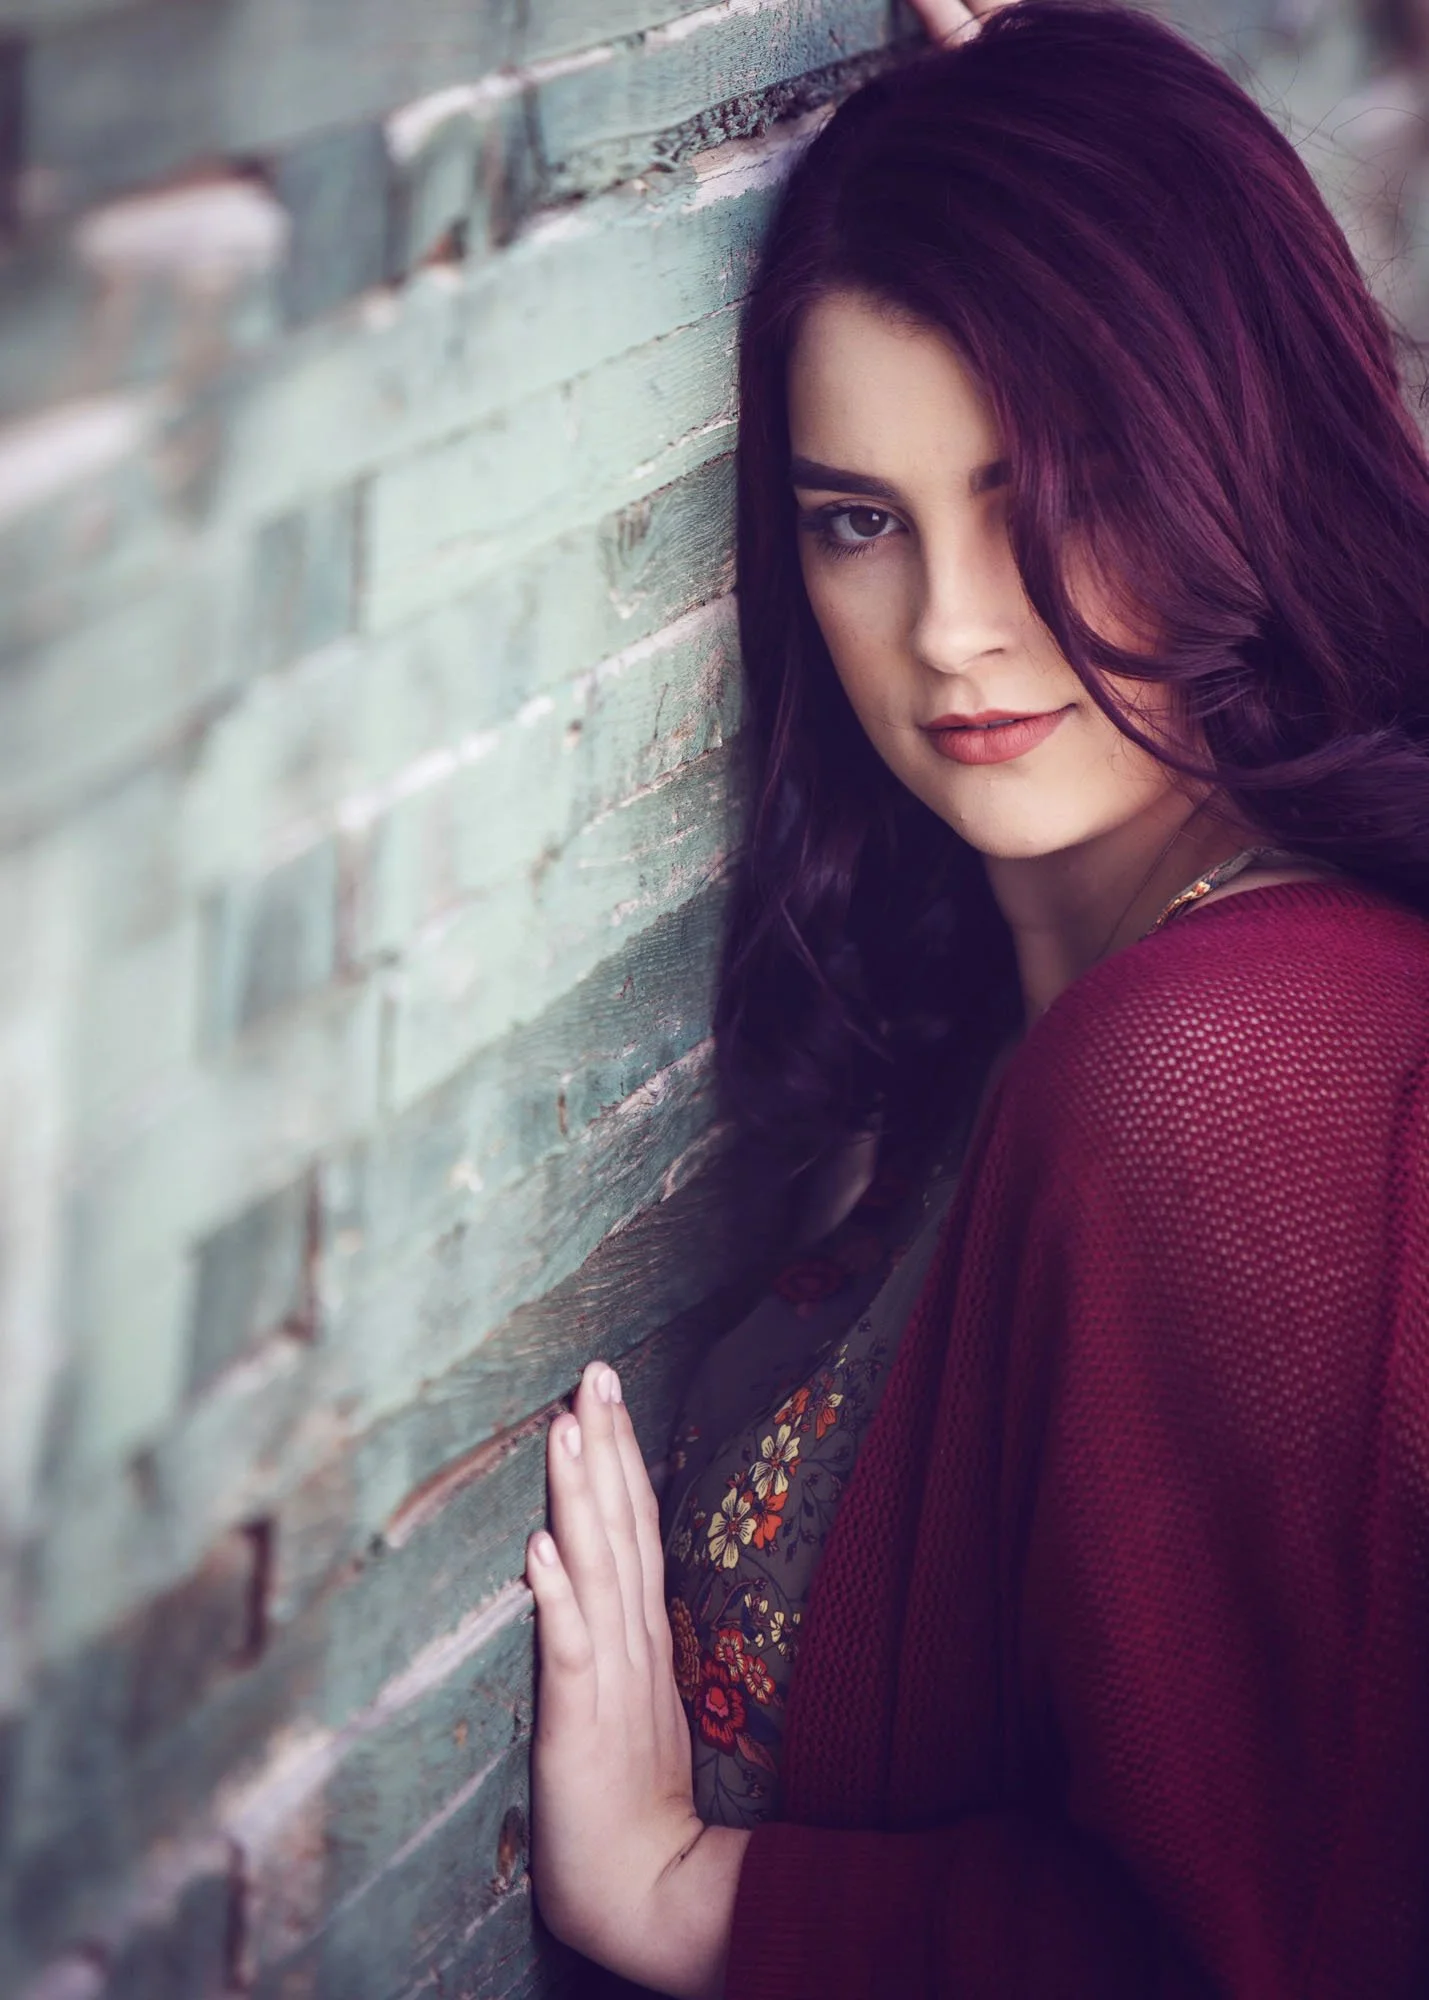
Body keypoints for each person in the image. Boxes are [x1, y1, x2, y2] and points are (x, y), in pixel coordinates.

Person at [521, 1, 1429, 1993]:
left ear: (1235, 459)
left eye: (1052, 493)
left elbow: (1286, 1945)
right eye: (862, 517)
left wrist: (685, 1895)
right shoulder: (1043, 1011)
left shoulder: (1220, 1084)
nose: (950, 627)